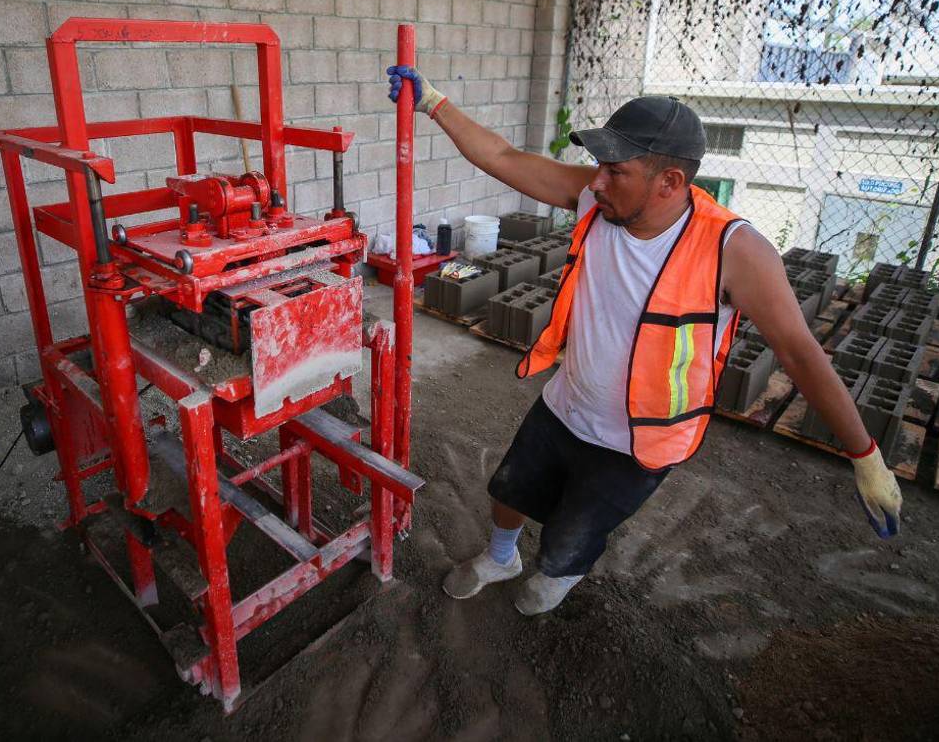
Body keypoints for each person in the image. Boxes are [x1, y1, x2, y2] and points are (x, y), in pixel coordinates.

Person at [385, 65, 904, 616]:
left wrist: (866, 457)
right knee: (508, 491)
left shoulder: (736, 250)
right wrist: (434, 102)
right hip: (566, 406)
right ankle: (502, 556)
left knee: (570, 539)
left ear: (670, 182)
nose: (598, 180)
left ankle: (555, 575)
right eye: (599, 166)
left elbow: (800, 353)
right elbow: (505, 158)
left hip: (640, 444)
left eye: (616, 170)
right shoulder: (597, 200)